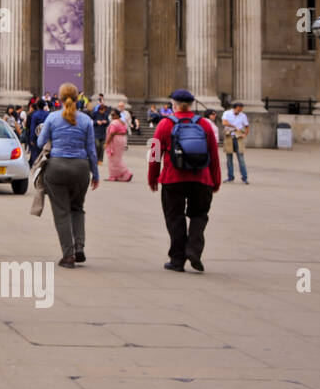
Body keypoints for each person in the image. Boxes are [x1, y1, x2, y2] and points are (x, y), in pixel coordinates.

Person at [148, 89, 221, 271]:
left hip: (173, 179)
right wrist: (216, 179)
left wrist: (153, 177)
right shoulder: (205, 124)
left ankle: (177, 259)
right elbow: (214, 155)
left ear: (174, 105)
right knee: (199, 216)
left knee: (175, 218)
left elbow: (155, 154)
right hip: (201, 178)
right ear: (191, 105)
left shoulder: (164, 124)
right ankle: (194, 251)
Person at [36, 82, 99, 268]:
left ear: (60, 98)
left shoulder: (53, 118)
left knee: (62, 213)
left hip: (56, 168)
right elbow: (92, 150)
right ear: (78, 98)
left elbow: (40, 142)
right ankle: (79, 246)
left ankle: (68, 255)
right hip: (81, 169)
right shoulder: (86, 120)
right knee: (77, 209)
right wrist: (95, 174)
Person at [222, 100, 250, 184]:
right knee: (229, 158)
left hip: (238, 136)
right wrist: (233, 126)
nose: (239, 111)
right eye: (238, 109)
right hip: (229, 135)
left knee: (241, 158)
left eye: (240, 110)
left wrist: (245, 134)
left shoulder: (243, 115)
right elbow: (224, 122)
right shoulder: (227, 113)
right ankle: (230, 177)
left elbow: (247, 126)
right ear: (233, 108)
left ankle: (244, 177)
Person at [104, 108, 132, 181]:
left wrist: (107, 143)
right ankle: (116, 175)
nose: (112, 116)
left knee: (113, 159)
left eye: (113, 115)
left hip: (115, 140)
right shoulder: (122, 122)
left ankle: (125, 173)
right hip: (122, 139)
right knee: (117, 158)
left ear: (117, 115)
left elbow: (112, 133)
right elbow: (125, 131)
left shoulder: (114, 122)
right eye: (111, 115)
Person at [26, 98, 50, 167]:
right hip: (46, 136)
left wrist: (31, 138)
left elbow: (32, 127)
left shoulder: (35, 115)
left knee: (36, 153)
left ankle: (36, 167)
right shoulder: (48, 114)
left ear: (37, 106)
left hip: (37, 136)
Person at [91, 94, 110, 159]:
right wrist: (96, 122)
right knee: (97, 145)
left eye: (104, 110)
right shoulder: (95, 114)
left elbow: (108, 123)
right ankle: (96, 157)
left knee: (102, 147)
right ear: (99, 110)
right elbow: (90, 121)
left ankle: (100, 159)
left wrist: (105, 122)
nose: (103, 112)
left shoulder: (105, 115)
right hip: (96, 132)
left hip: (102, 133)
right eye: (102, 110)